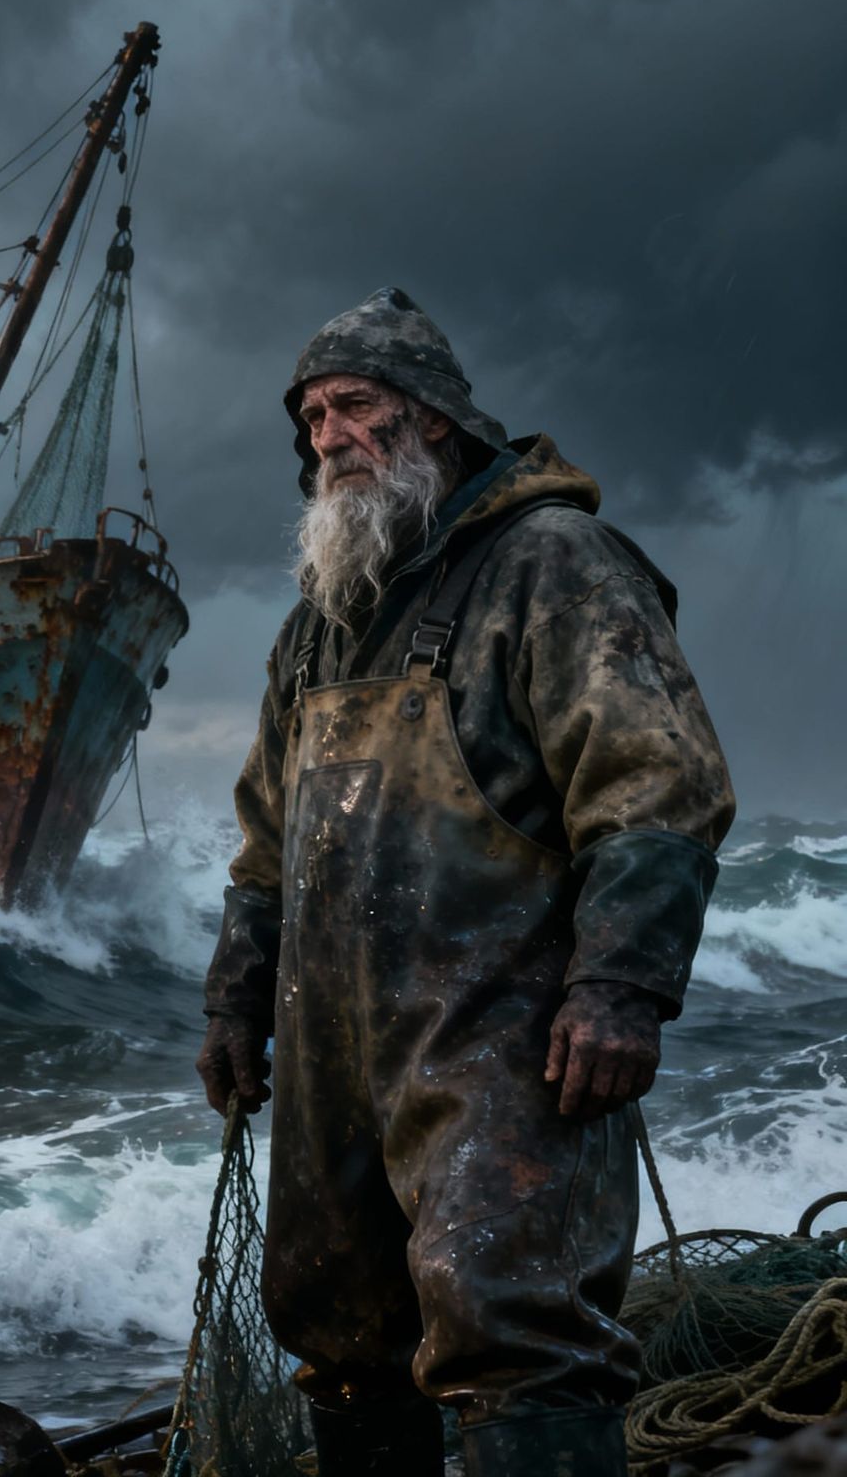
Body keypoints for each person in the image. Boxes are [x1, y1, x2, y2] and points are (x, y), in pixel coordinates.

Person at [195, 288, 735, 1476]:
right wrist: (236, 993)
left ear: (433, 419)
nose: (331, 436)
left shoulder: (555, 562)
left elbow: (655, 783)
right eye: (314, 415)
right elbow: (264, 832)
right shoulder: (316, 629)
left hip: (506, 1038)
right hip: (337, 1053)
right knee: (339, 1328)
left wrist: (623, 984)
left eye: (357, 406)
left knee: (514, 1326)